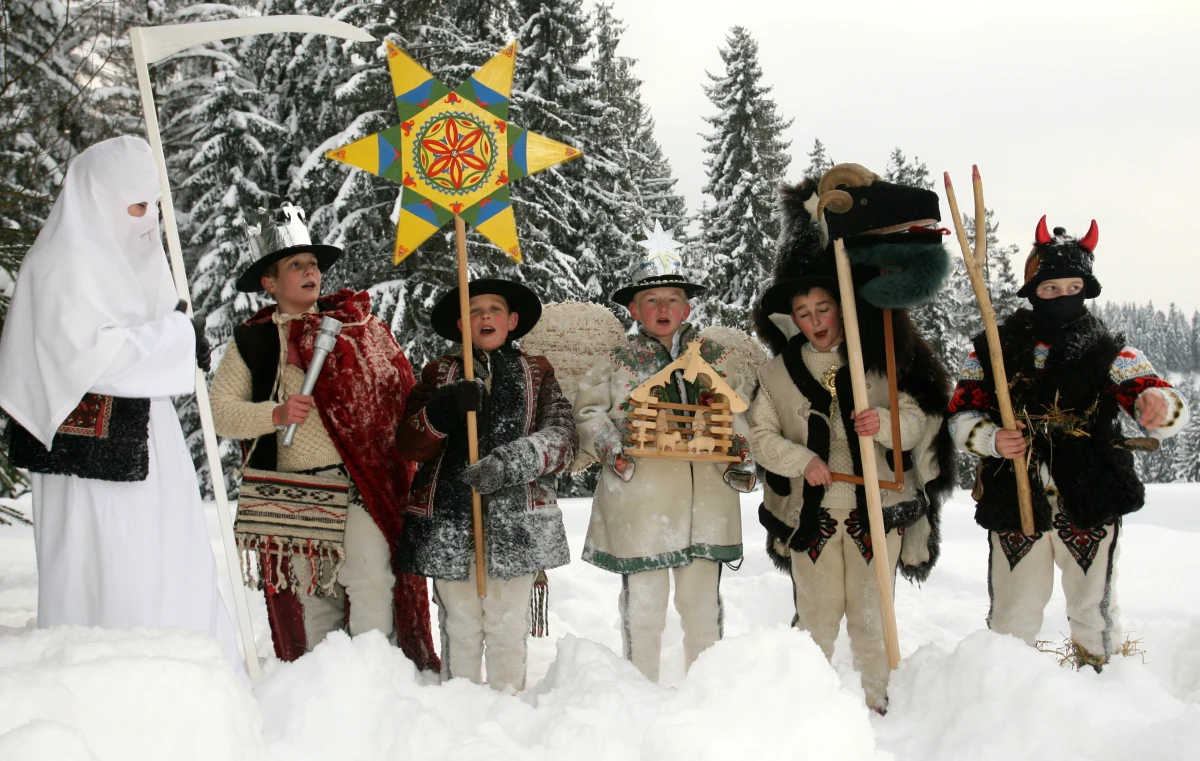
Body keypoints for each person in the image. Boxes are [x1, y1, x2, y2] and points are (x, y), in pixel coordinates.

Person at [0, 136, 241, 670]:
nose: (146, 221)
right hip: (86, 466)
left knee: (165, 561)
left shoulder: (136, 259)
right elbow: (93, 357)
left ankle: (187, 678)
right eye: (134, 206)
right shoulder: (60, 265)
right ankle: (116, 684)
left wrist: (175, 331)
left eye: (153, 207)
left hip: (149, 445)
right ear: (96, 201)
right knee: (110, 571)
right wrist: (177, 339)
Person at [949, 217, 1189, 670]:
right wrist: (992, 439)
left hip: (1090, 493)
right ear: (1032, 290)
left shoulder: (1109, 349)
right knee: (1013, 612)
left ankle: (1101, 684)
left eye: (1072, 286)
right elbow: (961, 414)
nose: (1062, 297)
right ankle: (1008, 689)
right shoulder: (991, 349)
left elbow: (1151, 391)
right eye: (1050, 289)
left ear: (1086, 288)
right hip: (1014, 495)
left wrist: (1157, 405)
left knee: (1092, 609)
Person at [208, 203, 437, 670]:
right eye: (296, 265)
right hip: (296, 490)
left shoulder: (359, 329)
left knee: (371, 579)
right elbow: (219, 413)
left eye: (313, 264)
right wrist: (273, 413)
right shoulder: (252, 342)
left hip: (358, 485)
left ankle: (373, 679)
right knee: (314, 599)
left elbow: (394, 394)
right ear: (269, 284)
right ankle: (322, 691)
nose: (310, 271)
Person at [750, 277, 947, 711]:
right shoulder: (776, 373)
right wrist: (803, 460)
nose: (815, 320)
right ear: (792, 319)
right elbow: (760, 436)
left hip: (876, 512)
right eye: (803, 313)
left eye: (823, 308)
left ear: (840, 308)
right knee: (816, 618)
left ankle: (881, 702)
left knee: (872, 617)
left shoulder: (880, 362)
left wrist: (884, 422)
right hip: (810, 516)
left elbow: (916, 423)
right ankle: (807, 708)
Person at [574, 226, 756, 682]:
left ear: (687, 307)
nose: (662, 309)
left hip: (706, 501)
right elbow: (588, 411)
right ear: (634, 309)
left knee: (700, 605)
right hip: (643, 501)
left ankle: (704, 690)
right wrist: (610, 446)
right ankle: (641, 691)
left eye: (671, 299)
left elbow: (737, 412)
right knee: (645, 605)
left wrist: (743, 456)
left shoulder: (714, 357)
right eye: (651, 300)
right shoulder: (616, 360)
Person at [395, 279, 576, 691]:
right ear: (461, 323)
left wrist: (508, 463)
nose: (485, 317)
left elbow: (563, 438)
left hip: (519, 525)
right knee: (458, 624)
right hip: (449, 522)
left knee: (508, 626)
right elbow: (408, 444)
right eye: (474, 311)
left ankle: (506, 711)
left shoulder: (537, 372)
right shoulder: (438, 373)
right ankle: (460, 712)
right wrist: (441, 410)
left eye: (494, 309)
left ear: (512, 321)